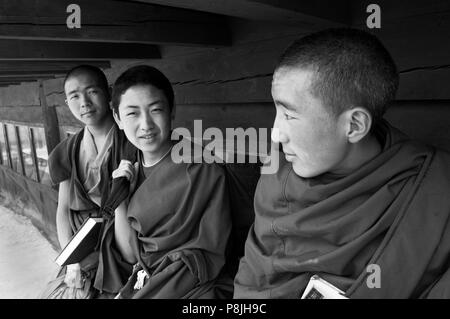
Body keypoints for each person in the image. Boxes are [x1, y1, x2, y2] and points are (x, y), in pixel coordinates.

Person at [234, 28, 450, 299]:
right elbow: (256, 277)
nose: (276, 134)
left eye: (289, 115)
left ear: (355, 125)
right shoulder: (277, 172)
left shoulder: (434, 185)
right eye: (276, 111)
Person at [95, 65, 233, 298]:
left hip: (187, 285)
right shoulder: (130, 168)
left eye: (156, 109)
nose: (146, 124)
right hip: (144, 278)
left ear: (172, 111)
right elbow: (130, 255)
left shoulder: (201, 168)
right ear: (117, 118)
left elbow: (207, 254)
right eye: (132, 113)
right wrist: (120, 199)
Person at [40, 65, 135, 298]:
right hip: (81, 245)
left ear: (108, 92)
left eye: (92, 91)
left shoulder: (131, 142)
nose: (84, 102)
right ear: (66, 101)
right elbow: (63, 210)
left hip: (124, 238)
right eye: (74, 96)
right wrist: (70, 260)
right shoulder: (67, 150)